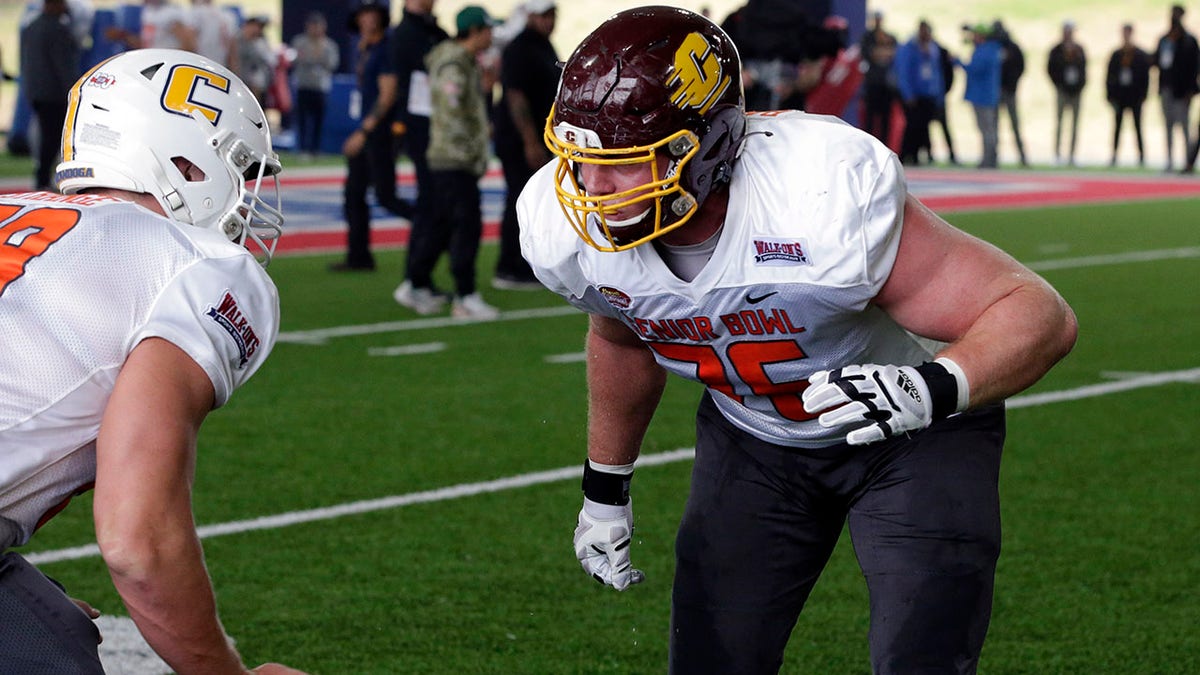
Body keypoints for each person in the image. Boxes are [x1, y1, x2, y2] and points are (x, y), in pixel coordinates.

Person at [517, 7, 1077, 673]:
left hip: (910, 432)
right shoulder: (565, 228)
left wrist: (931, 387)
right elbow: (621, 337)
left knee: (921, 655)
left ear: (701, 147)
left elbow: (1034, 309)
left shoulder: (814, 195)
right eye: (580, 160)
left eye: (622, 162)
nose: (592, 187)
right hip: (755, 441)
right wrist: (605, 489)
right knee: (711, 660)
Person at [0, 48, 302, 675]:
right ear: (188, 163)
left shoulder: (14, 209)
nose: (245, 198)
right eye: (238, 170)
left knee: (49, 626)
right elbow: (136, 537)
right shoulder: (199, 265)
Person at [404, 6, 499, 319]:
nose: (491, 35)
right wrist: (473, 146)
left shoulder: (462, 61)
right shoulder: (453, 64)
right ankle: (465, 294)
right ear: (474, 31)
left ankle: (415, 282)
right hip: (453, 158)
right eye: (487, 29)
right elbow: (452, 110)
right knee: (466, 226)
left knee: (443, 225)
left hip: (451, 157)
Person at [336, 0, 409, 272]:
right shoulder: (367, 48)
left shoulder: (384, 49)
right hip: (370, 131)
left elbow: (388, 94)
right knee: (354, 193)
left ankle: (435, 229)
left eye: (372, 14)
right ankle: (359, 256)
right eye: (364, 14)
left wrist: (364, 131)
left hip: (378, 133)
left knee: (385, 195)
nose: (367, 19)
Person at [491, 0, 558, 291]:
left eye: (552, 14)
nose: (549, 21)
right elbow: (515, 97)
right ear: (530, 15)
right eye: (544, 15)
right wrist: (531, 141)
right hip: (519, 139)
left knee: (534, 203)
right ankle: (510, 266)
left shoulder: (542, 46)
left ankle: (526, 264)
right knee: (520, 201)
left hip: (536, 137)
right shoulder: (520, 48)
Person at [391, 0, 451, 310]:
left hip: (434, 131)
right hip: (424, 133)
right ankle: (415, 279)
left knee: (437, 207)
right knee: (433, 207)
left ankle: (420, 279)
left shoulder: (429, 31)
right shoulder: (408, 35)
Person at [19, 0, 80, 191]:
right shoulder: (57, 29)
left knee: (46, 135)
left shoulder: (30, 27)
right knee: (53, 137)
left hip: (36, 91)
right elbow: (63, 65)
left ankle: (43, 177)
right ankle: (44, 179)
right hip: (54, 93)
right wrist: (73, 91)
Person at [1153, 4, 1199, 171]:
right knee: (1168, 126)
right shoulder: (1165, 40)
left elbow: (1195, 67)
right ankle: (1169, 160)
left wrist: (1191, 91)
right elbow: (1157, 61)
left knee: (1185, 127)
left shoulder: (1189, 41)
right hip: (1167, 89)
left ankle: (1188, 161)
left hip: (1183, 91)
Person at [893, 20, 945, 165]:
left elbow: (936, 73)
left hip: (928, 94)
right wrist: (908, 94)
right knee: (911, 126)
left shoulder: (933, 49)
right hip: (913, 95)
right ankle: (905, 155)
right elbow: (903, 72)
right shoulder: (908, 48)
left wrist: (938, 94)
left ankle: (917, 156)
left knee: (923, 127)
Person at [290, 11, 339, 158]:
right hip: (304, 85)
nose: (315, 29)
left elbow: (332, 64)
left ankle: (316, 149)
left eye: (318, 26)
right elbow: (296, 59)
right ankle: (303, 149)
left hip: (321, 87)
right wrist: (314, 58)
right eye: (313, 25)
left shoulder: (329, 45)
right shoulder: (299, 41)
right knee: (303, 119)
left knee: (318, 120)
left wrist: (315, 57)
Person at [957, 23, 1002, 168]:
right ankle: (989, 158)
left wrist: (958, 62)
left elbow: (975, 69)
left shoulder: (986, 51)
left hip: (983, 96)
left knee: (987, 129)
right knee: (988, 129)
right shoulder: (991, 50)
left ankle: (989, 159)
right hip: (986, 95)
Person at [1107, 23, 1151, 167]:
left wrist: (1144, 94)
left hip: (1135, 96)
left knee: (1138, 126)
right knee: (1117, 127)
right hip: (1120, 96)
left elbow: (1145, 76)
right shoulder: (1117, 54)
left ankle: (1141, 155)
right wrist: (1110, 95)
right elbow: (1110, 76)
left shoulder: (1139, 55)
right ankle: (1114, 155)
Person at [1047, 21, 1087, 166]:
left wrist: (1080, 86)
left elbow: (1084, 69)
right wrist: (1059, 84)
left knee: (1074, 124)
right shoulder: (1056, 50)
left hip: (1076, 91)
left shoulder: (1079, 49)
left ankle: (1072, 155)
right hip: (1062, 89)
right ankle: (1057, 153)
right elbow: (1050, 69)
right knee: (1059, 122)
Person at [859, 10, 900, 149]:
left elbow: (893, 54)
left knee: (886, 119)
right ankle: (868, 146)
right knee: (870, 118)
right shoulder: (867, 37)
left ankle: (885, 147)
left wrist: (880, 52)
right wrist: (881, 52)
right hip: (872, 84)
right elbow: (869, 54)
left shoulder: (889, 37)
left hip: (886, 85)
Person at [992, 19, 1028, 166]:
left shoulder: (1012, 48)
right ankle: (994, 157)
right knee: (994, 126)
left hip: (1009, 91)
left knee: (1014, 124)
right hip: (995, 91)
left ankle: (1022, 156)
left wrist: (1011, 84)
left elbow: (1020, 67)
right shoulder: (993, 47)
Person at [105, 0, 196, 52]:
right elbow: (147, 44)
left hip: (165, 63)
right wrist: (124, 36)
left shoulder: (172, 13)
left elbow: (189, 46)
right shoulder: (148, 12)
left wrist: (167, 57)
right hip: (152, 61)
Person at [234, 15, 274, 110]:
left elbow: (269, 60)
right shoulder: (237, 39)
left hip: (259, 84)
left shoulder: (261, 41)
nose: (258, 30)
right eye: (256, 26)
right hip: (241, 82)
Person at [188, 0, 238, 68]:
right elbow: (232, 51)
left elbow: (189, 42)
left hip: (199, 65)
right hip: (219, 67)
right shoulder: (228, 16)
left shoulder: (195, 13)